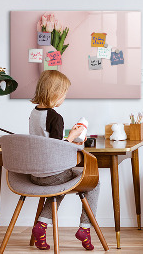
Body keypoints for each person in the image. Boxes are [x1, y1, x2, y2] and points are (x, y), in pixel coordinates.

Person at [29, 70, 99, 251]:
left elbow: (46, 142)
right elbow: (57, 148)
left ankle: (41, 226)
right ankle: (85, 228)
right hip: (52, 174)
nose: (64, 98)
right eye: (64, 94)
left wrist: (68, 137)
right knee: (94, 182)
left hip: (35, 174)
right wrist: (74, 136)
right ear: (55, 93)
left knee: (59, 186)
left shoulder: (34, 113)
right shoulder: (55, 117)